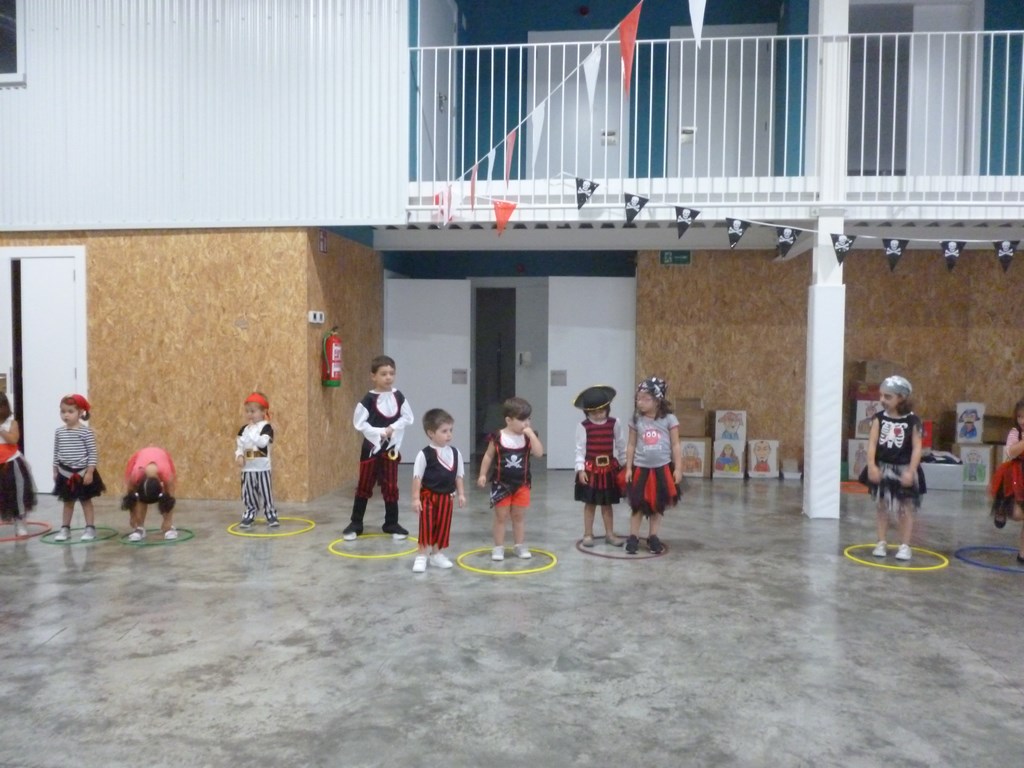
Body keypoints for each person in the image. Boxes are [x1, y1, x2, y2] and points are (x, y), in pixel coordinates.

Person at [343, 355, 414, 541]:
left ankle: (391, 523)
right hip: (371, 449)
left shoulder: (398, 397)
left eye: (391, 373)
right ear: (373, 376)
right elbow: (359, 423)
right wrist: (380, 432)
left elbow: (408, 417)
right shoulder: (368, 399)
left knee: (391, 485)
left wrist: (393, 427)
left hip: (390, 450)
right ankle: (356, 523)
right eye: (383, 374)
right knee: (364, 484)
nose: (388, 377)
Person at [862, 376, 925, 561]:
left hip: (903, 469)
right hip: (883, 467)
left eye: (888, 396)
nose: (882, 400)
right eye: (881, 395)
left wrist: (911, 471)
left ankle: (904, 545)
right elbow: (872, 444)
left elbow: (917, 448)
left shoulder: (913, 421)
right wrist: (872, 466)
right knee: (882, 506)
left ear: (902, 398)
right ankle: (881, 541)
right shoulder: (879, 419)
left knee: (905, 508)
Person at [477, 396, 544, 560]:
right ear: (508, 420)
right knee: (501, 516)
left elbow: (539, 453)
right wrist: (482, 474)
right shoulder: (497, 437)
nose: (526, 423)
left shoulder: (528, 437)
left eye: (528, 419)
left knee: (518, 516)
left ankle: (519, 546)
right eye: (522, 420)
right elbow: (488, 456)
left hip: (522, 484)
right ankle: (498, 547)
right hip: (501, 484)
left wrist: (532, 436)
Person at [624, 377, 682, 554]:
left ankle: (653, 536)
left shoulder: (669, 419)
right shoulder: (636, 420)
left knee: (658, 504)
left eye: (645, 399)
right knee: (637, 505)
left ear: (657, 400)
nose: (640, 402)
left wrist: (678, 468)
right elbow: (631, 444)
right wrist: (628, 468)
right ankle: (633, 536)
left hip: (661, 470)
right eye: (638, 398)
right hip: (640, 468)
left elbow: (675, 445)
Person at [410, 408, 466, 573]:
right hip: (428, 498)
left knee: (442, 526)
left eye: (450, 430)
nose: (449, 435)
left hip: (447, 498)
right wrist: (415, 498)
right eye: (444, 431)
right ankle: (421, 555)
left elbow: (459, 476)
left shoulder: (455, 453)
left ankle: (436, 554)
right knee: (426, 526)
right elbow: (417, 478)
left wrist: (461, 494)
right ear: (431, 433)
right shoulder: (424, 455)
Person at [573, 385, 626, 547]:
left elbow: (621, 445)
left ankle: (609, 534)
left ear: (607, 409)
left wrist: (625, 465)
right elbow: (580, 450)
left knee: (607, 504)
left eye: (601, 411)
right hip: (591, 471)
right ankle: (588, 534)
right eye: (593, 412)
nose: (598, 415)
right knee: (590, 504)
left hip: (609, 470)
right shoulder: (583, 426)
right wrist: (580, 470)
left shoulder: (614, 423)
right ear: (587, 412)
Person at [52, 394, 106, 542]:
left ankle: (90, 528)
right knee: (67, 502)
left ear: (81, 412)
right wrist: (55, 470)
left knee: (85, 501)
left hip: (82, 473)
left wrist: (90, 472)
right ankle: (65, 528)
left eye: (70, 411)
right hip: (65, 473)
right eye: (63, 411)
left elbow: (92, 453)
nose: (66, 415)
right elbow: (56, 452)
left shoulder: (85, 432)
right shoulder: (59, 432)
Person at [234, 391, 278, 530]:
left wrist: (252, 430)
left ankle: (270, 514)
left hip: (262, 468)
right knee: (248, 493)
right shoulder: (243, 430)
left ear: (263, 412)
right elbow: (240, 446)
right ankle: (249, 513)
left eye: (253, 411)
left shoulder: (266, 427)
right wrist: (239, 456)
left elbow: (262, 443)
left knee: (265, 493)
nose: (250, 414)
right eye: (247, 411)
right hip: (248, 469)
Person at [988, 398, 1024, 564]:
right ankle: (1001, 508)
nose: (1022, 421)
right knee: (1016, 514)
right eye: (1020, 417)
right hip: (1014, 475)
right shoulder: (1015, 433)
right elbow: (1011, 452)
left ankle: (1022, 553)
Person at [121, 446, 178, 541]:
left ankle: (169, 528)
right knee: (139, 499)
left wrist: (168, 520)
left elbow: (170, 498)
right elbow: (130, 496)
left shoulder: (167, 475)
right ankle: (140, 528)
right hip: (141, 458)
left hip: (161, 457)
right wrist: (132, 516)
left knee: (166, 499)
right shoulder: (135, 475)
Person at [0, 393, 37, 537]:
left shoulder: (12, 423)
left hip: (10, 463)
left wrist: (1, 429)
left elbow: (13, 439)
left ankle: (20, 523)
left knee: (16, 494)